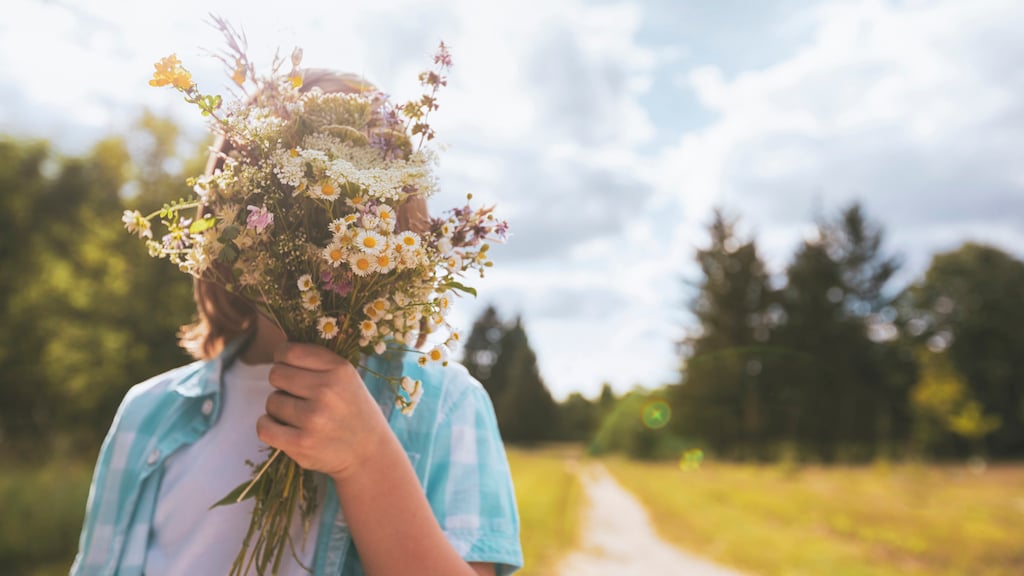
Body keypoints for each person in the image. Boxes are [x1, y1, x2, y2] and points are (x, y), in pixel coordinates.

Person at [71, 70, 523, 576]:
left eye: (347, 198)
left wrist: (367, 458)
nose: (312, 219)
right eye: (280, 190)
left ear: (394, 223)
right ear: (223, 216)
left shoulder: (442, 406)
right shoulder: (147, 415)